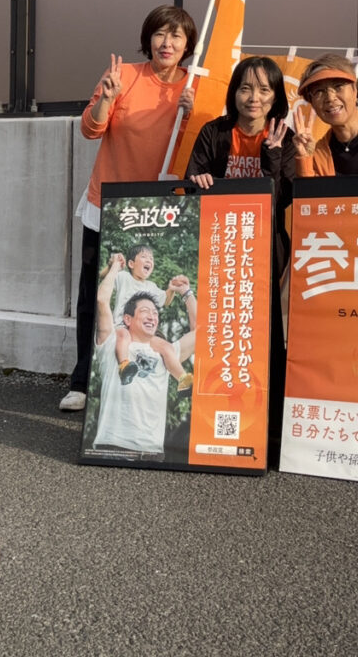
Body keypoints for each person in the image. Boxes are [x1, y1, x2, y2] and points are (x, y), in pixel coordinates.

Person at [60, 4, 198, 411]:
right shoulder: (125, 76)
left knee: (146, 302)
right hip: (109, 202)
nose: (166, 43)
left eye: (176, 36)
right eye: (160, 34)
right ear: (148, 39)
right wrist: (107, 98)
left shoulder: (194, 86)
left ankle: (147, 382)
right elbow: (90, 129)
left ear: (187, 45)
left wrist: (193, 114)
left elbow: (199, 147)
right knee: (94, 295)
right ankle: (83, 382)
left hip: (163, 209)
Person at [185, 56, 296, 462]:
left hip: (264, 248)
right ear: (234, 92)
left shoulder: (283, 136)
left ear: (275, 96)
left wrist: (273, 155)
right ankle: (212, 412)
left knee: (265, 329)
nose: (254, 97)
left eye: (264, 89)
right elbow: (191, 183)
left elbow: (284, 198)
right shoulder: (214, 132)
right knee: (219, 327)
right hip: (220, 246)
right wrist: (198, 181)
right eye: (246, 88)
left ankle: (272, 424)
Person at [90, 254, 197, 457]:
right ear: (128, 318)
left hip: (152, 453)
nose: (152, 316)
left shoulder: (165, 352)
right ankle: (125, 367)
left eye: (155, 313)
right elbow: (102, 300)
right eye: (145, 311)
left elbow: (201, 331)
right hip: (112, 448)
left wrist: (186, 292)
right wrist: (115, 266)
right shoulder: (112, 342)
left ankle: (183, 379)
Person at [107, 249, 194, 390]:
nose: (149, 260)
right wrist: (113, 264)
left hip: (143, 332)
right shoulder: (123, 277)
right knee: (123, 336)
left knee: (166, 347)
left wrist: (171, 289)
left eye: (151, 259)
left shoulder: (151, 287)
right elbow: (105, 277)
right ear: (131, 263)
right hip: (123, 326)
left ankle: (182, 379)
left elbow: (165, 300)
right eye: (144, 257)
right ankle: (124, 366)